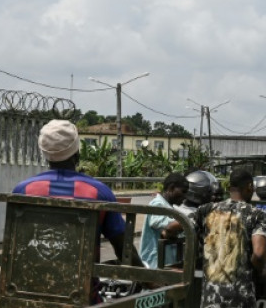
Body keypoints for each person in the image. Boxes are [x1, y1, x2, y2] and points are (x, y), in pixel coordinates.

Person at [12, 120, 142, 303]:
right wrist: (151, 280)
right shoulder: (99, 192)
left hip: (28, 294)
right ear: (77, 152)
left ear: (45, 155)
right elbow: (123, 248)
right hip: (83, 298)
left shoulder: (23, 190)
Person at [193, 168, 266, 308]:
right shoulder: (256, 214)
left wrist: (166, 234)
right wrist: (261, 269)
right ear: (249, 187)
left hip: (210, 299)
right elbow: (258, 255)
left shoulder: (206, 210)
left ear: (230, 188)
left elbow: (177, 226)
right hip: (240, 299)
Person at [139, 172, 189, 269]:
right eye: (183, 192)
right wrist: (189, 221)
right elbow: (163, 224)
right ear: (171, 188)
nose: (185, 196)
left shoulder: (169, 207)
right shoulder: (157, 204)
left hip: (165, 263)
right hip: (154, 263)